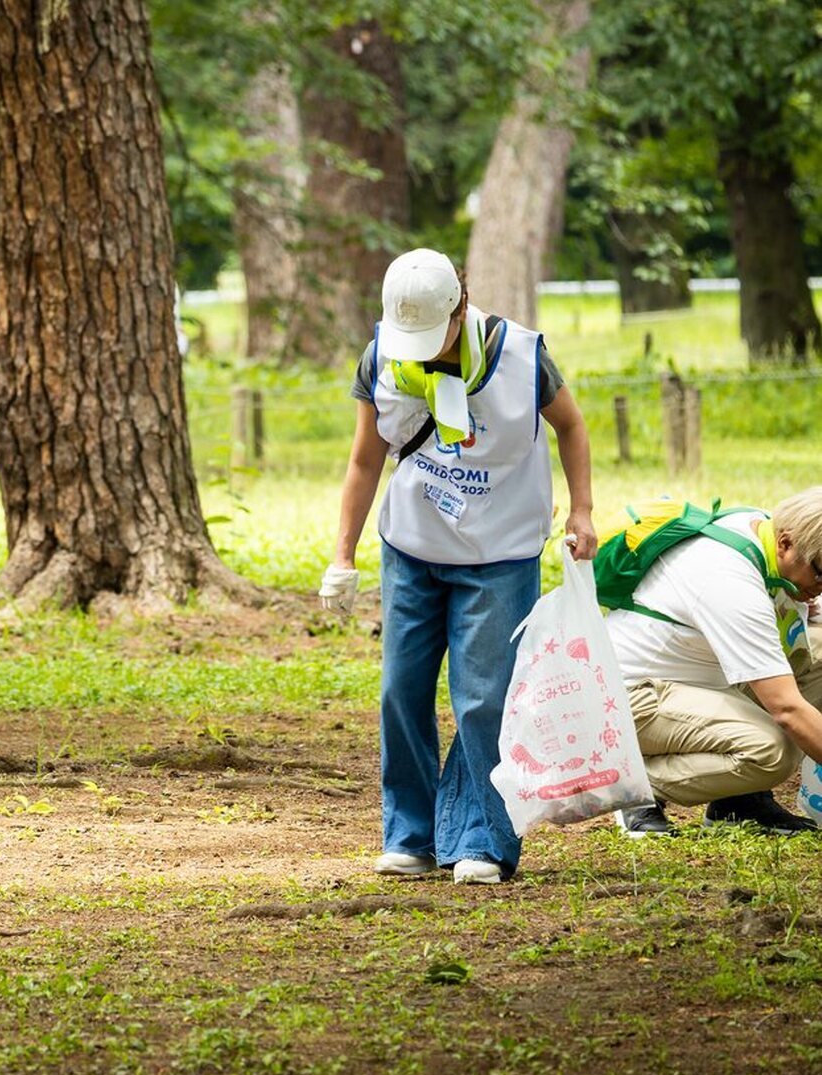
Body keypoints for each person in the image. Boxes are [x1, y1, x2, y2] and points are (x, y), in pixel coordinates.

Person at [319, 248, 596, 885]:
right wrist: (343, 553)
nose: (418, 351)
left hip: (497, 555)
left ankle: (482, 838)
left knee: (482, 700)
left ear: (461, 308)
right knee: (400, 691)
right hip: (412, 548)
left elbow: (573, 427)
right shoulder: (382, 358)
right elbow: (365, 461)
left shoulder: (523, 355)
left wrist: (582, 510)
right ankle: (410, 835)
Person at [604, 489, 822, 836]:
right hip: (627, 698)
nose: (820, 587)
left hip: (691, 682)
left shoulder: (764, 536)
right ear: (785, 543)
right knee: (770, 750)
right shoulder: (729, 579)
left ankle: (738, 800)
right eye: (820, 572)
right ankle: (630, 787)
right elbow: (787, 709)